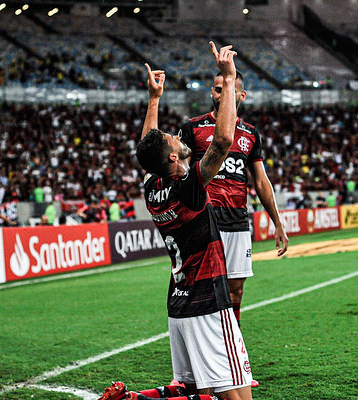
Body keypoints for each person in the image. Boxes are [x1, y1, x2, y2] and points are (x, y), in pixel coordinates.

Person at [105, 43, 252, 400]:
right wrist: (229, 79)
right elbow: (223, 140)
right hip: (207, 301)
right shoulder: (188, 186)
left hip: (178, 304)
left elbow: (148, 148)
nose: (177, 136)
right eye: (173, 138)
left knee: (190, 389)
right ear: (174, 155)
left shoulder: (152, 185)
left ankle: (134, 398)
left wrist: (154, 99)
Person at [177, 64, 288, 327]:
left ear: (242, 95)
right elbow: (180, 176)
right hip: (203, 221)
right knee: (201, 290)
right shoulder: (192, 129)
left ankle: (231, 343)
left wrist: (278, 223)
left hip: (237, 222)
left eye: (229, 89)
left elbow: (261, 182)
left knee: (236, 291)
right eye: (218, 89)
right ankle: (205, 345)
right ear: (212, 93)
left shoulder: (250, 134)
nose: (223, 94)